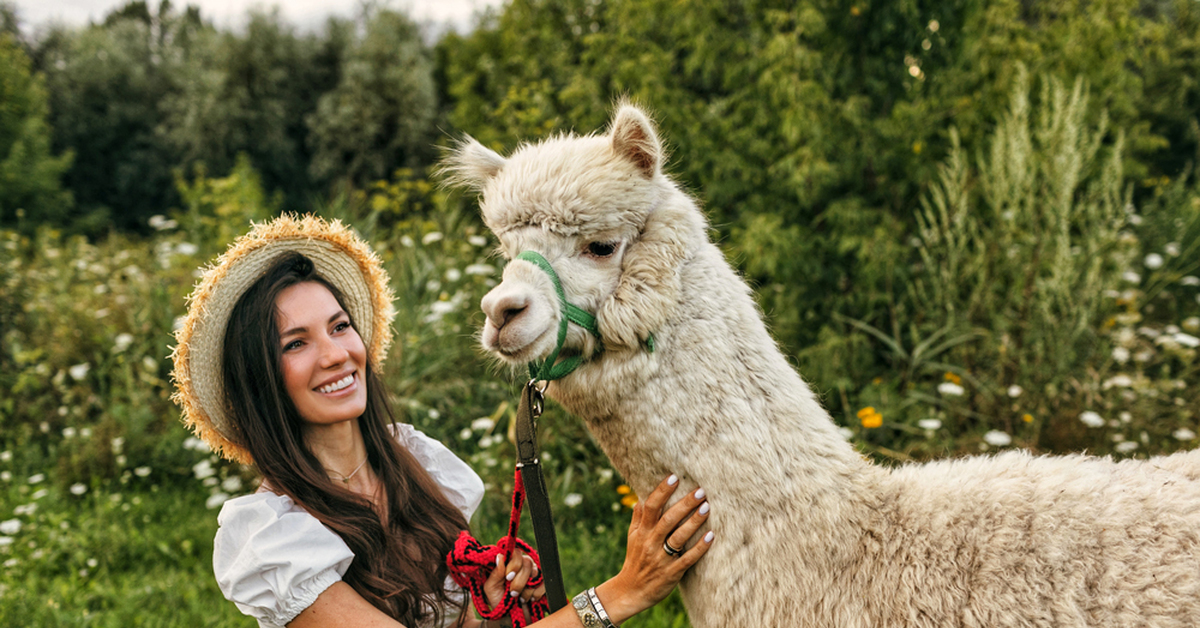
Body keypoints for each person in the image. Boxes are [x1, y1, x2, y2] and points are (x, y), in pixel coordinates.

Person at [171, 215, 714, 628]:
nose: (336, 354)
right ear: (261, 379)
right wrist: (622, 593)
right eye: (296, 343)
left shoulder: (414, 460)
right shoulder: (276, 539)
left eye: (339, 327)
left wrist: (489, 606)